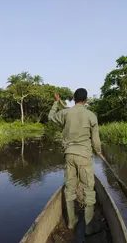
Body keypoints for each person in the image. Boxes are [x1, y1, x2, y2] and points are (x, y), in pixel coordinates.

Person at [48, 88, 102, 236]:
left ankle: (71, 222)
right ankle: (89, 228)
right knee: (89, 190)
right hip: (84, 156)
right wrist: (99, 151)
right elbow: (96, 140)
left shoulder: (65, 113)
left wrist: (55, 103)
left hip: (69, 155)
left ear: (74, 98)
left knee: (69, 189)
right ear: (86, 99)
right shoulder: (91, 115)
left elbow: (51, 117)